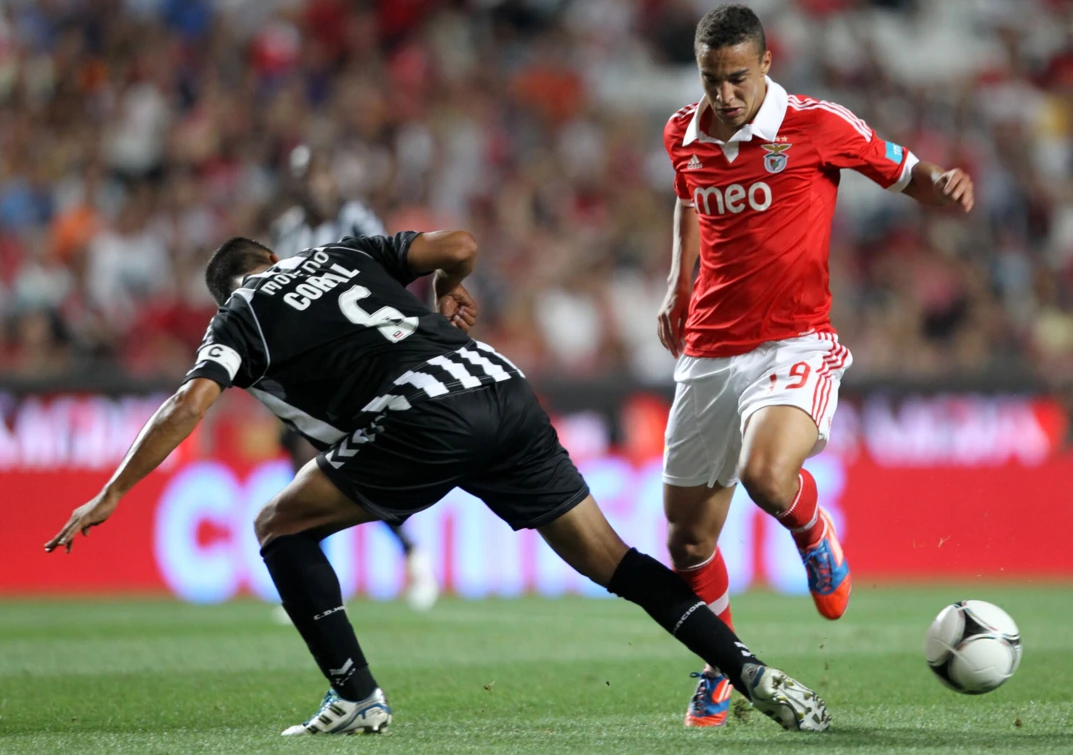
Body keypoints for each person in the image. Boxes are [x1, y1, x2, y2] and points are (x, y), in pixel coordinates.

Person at [46, 228, 832, 735]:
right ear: (276, 257)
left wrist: (113, 491)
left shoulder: (239, 314)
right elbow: (460, 242)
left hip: (422, 414)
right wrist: (448, 287)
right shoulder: (343, 254)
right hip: (501, 383)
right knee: (614, 561)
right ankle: (749, 669)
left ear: (227, 290)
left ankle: (355, 696)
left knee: (277, 526)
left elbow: (188, 405)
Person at [657, 4, 975, 727]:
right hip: (708, 349)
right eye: (711, 80)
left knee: (767, 475)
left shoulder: (816, 125)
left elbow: (903, 170)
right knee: (687, 540)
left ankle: (813, 532)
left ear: (767, 64)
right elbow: (687, 200)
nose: (724, 95)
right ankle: (722, 662)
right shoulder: (682, 132)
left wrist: (944, 182)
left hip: (794, 341)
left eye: (737, 79)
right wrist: (678, 282)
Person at [272, 144, 438, 611]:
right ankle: (317, 582)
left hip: (361, 359)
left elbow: (389, 275)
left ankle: (410, 552)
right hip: (311, 367)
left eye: (320, 175)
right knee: (304, 468)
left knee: (354, 467)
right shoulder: (286, 230)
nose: (314, 186)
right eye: (305, 178)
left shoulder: (359, 221)